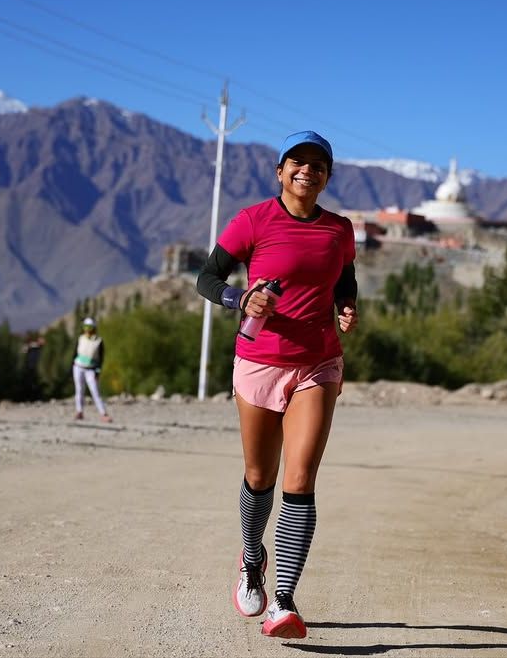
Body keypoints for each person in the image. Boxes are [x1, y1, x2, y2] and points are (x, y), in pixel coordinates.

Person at [197, 130, 359, 640]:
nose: (307, 170)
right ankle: (252, 560)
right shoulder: (253, 221)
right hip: (259, 362)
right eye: (298, 162)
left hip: (318, 364)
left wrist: (346, 305)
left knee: (301, 477)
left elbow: (345, 278)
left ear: (327, 177)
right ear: (280, 171)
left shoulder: (339, 229)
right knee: (259, 474)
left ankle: (283, 601)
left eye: (318, 165)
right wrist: (240, 299)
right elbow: (206, 278)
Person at [72, 317, 111, 423]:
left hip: (91, 370)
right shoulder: (80, 338)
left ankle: (103, 414)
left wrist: (97, 371)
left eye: (89, 327)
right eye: (85, 327)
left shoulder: (98, 341)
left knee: (95, 391)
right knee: (79, 390)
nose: (87, 330)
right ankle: (79, 411)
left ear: (94, 328)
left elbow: (101, 358)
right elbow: (75, 354)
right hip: (78, 367)